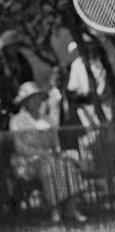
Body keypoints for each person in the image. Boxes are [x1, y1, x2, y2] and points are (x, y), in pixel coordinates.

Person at [8, 82, 87, 223]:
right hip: (28, 163)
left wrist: (55, 151)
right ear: (26, 102)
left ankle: (72, 208)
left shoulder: (46, 119)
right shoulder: (17, 121)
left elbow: (55, 143)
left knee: (67, 166)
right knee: (50, 167)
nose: (37, 101)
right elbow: (20, 147)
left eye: (38, 97)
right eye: (33, 98)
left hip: (49, 159)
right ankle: (55, 209)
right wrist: (41, 153)